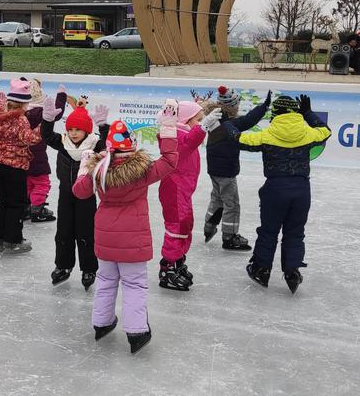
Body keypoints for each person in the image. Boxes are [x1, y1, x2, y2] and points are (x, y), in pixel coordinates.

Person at [72, 102, 179, 354]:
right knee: (134, 285)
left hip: (106, 239)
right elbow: (170, 161)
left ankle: (101, 323)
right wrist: (168, 127)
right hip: (133, 241)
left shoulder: (99, 171)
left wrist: (85, 167)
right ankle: (137, 331)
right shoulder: (143, 171)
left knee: (106, 281)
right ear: (131, 144)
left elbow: (79, 192)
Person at [223, 95, 331, 294]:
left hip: (274, 190)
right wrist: (308, 113)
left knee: (269, 231)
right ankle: (292, 271)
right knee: (295, 231)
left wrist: (226, 122)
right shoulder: (307, 133)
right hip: (301, 191)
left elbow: (235, 137)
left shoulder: (266, 135)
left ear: (274, 113)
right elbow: (326, 131)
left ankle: (261, 269)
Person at [41, 97, 110, 290]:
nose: (73, 133)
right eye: (71, 129)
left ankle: (89, 268)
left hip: (86, 196)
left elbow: (107, 144)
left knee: (86, 232)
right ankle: (63, 266)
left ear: (86, 131)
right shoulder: (63, 143)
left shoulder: (94, 144)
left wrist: (103, 126)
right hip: (65, 194)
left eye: (78, 130)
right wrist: (47, 120)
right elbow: (46, 136)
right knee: (63, 232)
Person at [156, 100, 222, 291]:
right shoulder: (174, 137)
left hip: (183, 190)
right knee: (176, 227)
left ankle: (177, 260)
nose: (201, 122)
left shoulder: (184, 133)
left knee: (185, 224)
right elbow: (187, 144)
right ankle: (167, 267)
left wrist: (203, 123)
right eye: (198, 119)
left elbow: (193, 139)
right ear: (185, 120)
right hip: (174, 189)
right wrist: (202, 127)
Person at [203, 86, 270, 250]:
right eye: (237, 104)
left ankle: (209, 226)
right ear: (232, 106)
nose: (238, 107)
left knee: (217, 198)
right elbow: (248, 120)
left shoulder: (217, 117)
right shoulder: (229, 122)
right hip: (226, 170)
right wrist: (264, 106)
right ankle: (230, 236)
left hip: (214, 168)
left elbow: (245, 120)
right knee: (232, 203)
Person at [0, 78, 41, 254]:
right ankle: (13, 240)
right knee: (16, 204)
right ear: (23, 103)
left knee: (4, 203)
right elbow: (30, 139)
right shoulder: (20, 119)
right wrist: (43, 126)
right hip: (16, 166)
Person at [23, 78, 66, 223]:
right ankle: (37, 208)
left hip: (22, 156)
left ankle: (27, 206)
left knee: (28, 181)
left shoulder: (20, 114)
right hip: (38, 156)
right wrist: (61, 96)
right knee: (42, 183)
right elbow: (58, 113)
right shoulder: (43, 112)